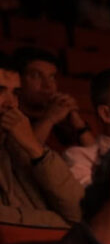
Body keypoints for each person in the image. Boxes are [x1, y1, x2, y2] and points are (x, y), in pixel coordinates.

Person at [0, 56, 83, 227]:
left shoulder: (17, 145)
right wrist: (60, 223)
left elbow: (80, 211)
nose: (10, 104)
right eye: (0, 91)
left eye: (15, 93)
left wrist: (35, 149)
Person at [15, 47, 95, 150]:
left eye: (52, 77)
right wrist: (49, 119)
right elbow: (25, 156)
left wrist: (79, 125)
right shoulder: (11, 119)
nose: (48, 85)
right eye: (36, 76)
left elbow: (96, 159)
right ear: (18, 80)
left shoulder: (64, 122)